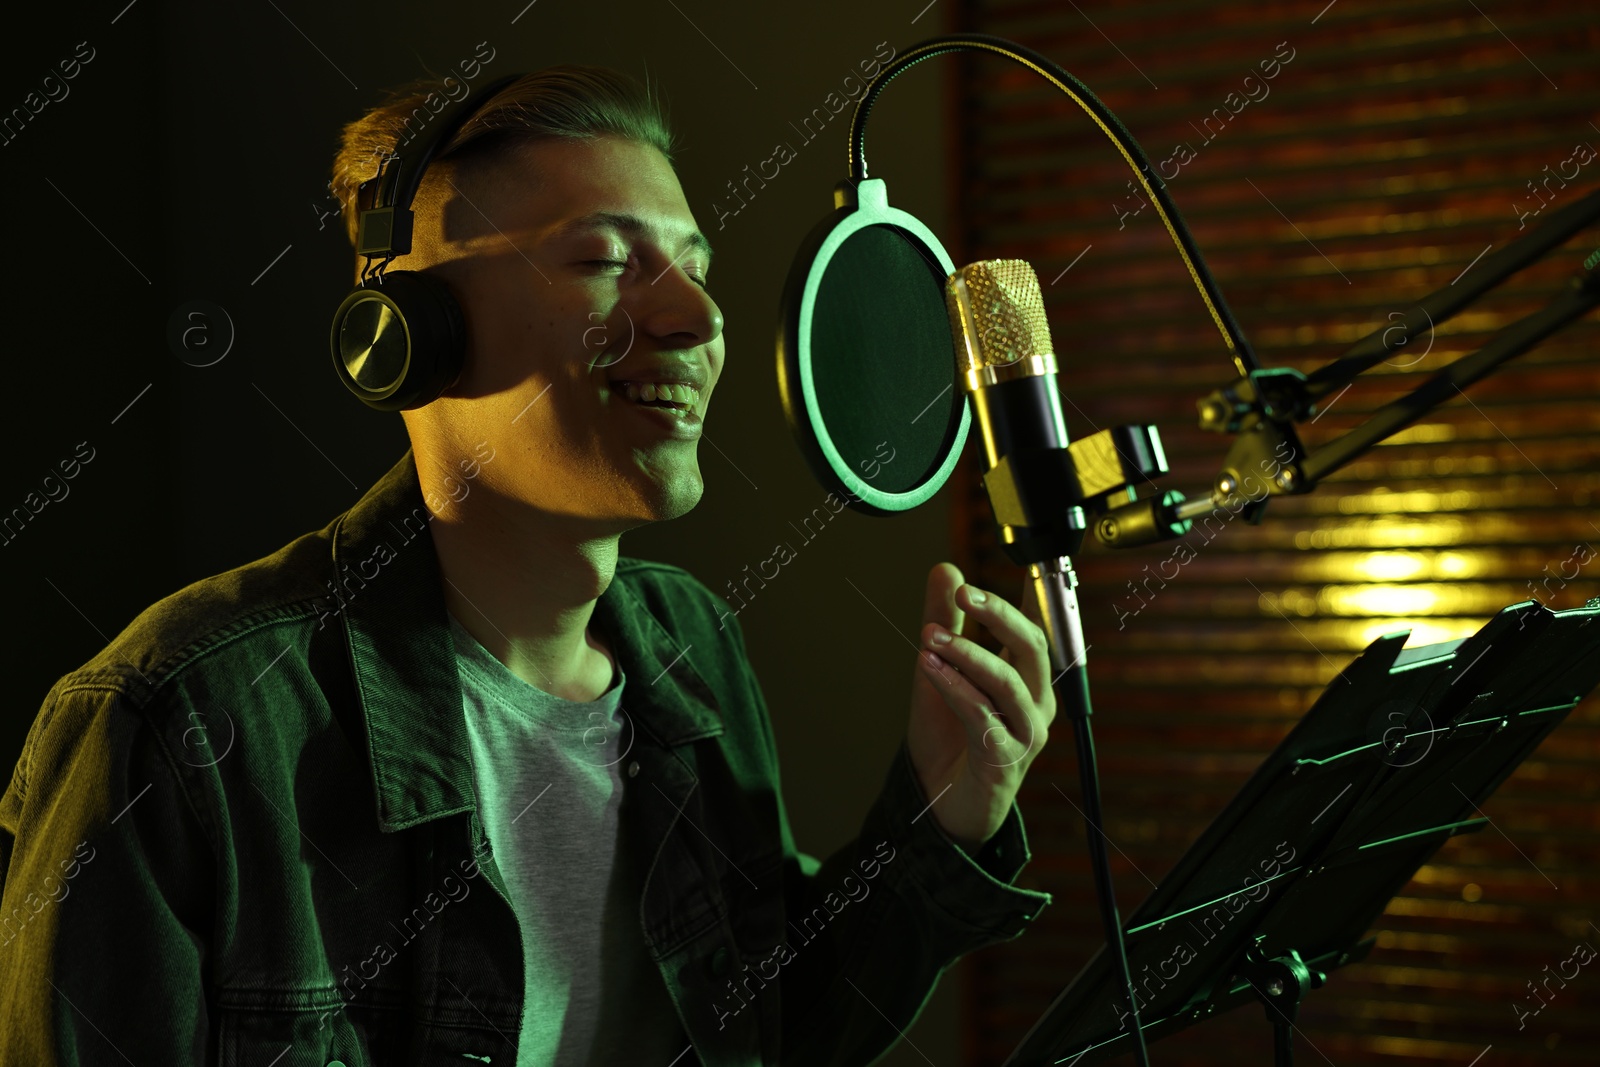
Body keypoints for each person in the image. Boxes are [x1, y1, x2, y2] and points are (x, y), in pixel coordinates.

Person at [0, 64, 1056, 1066]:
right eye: (605, 261)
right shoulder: (185, 727)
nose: (698, 316)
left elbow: (769, 1032)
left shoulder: (690, 645)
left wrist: (940, 807)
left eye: (696, 267)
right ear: (404, 332)